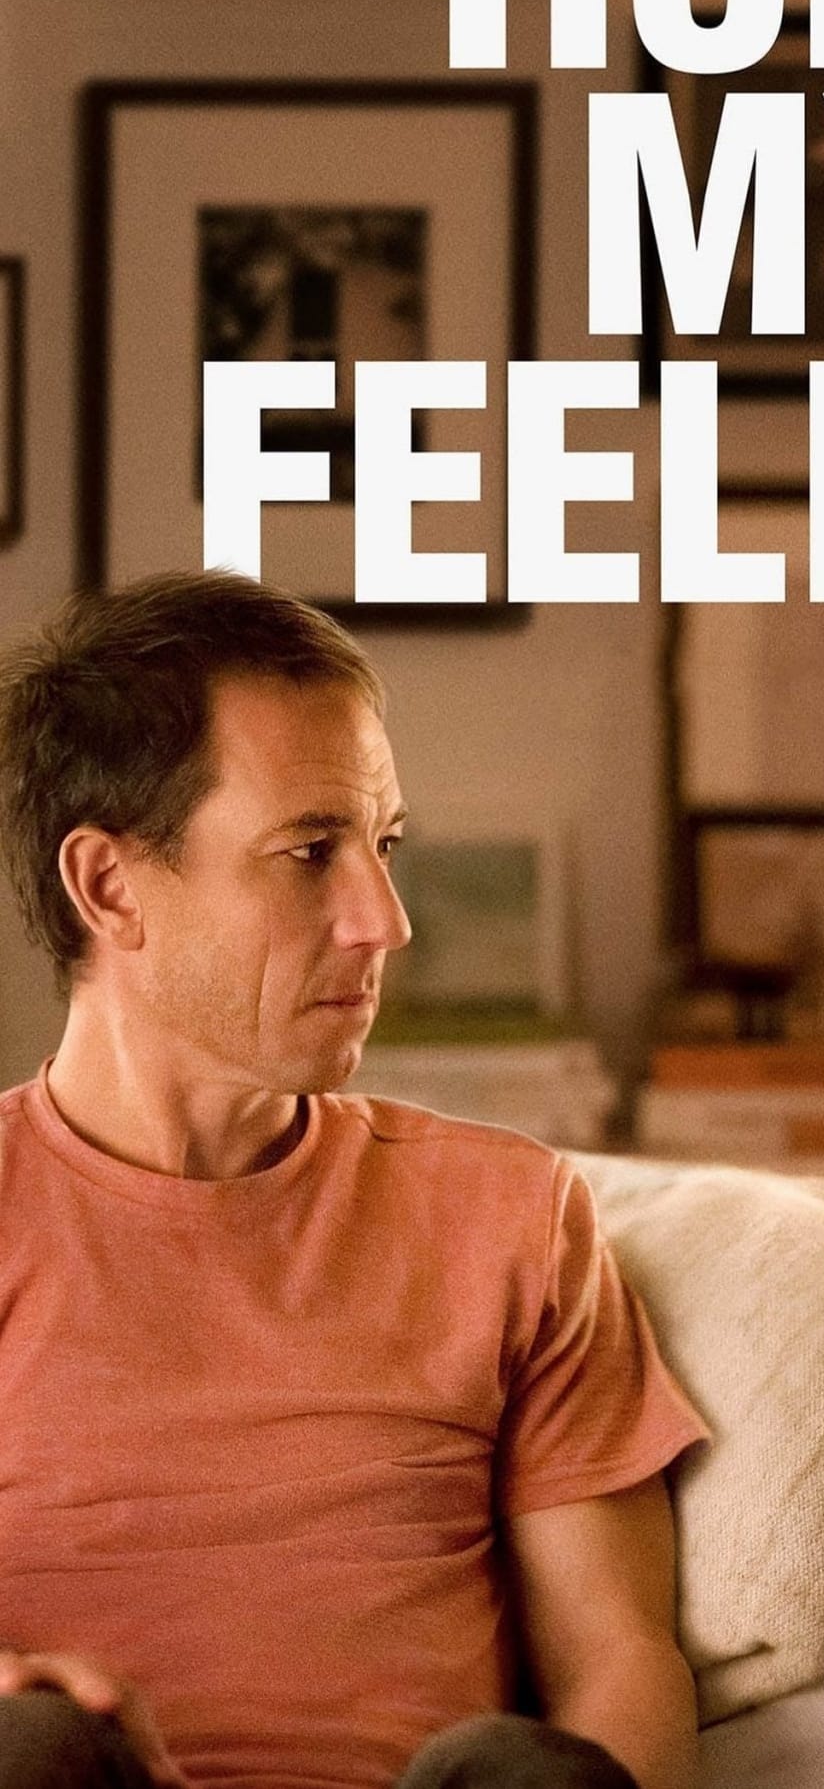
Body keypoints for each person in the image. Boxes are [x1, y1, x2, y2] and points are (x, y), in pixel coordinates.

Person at [0, 571, 707, 1789]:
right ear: (110, 885)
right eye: (310, 852)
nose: (384, 920)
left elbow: (618, 1657)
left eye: (382, 846)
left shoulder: (510, 1219)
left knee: (517, 1769)